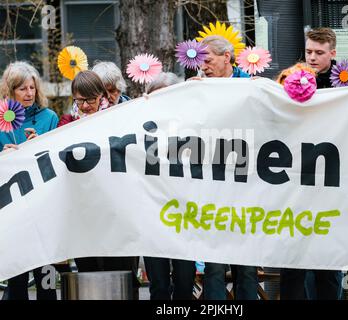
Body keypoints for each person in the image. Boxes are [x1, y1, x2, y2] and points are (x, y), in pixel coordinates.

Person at [58, 70, 140, 297]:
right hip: (84, 215)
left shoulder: (119, 117)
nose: (84, 106)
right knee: (89, 273)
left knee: (122, 272)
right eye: (79, 100)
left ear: (101, 95)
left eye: (90, 100)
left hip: (117, 213)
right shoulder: (66, 123)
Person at [280, 28, 343, 300]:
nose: (313, 58)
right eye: (309, 52)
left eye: (319, 52)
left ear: (333, 53)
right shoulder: (291, 78)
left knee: (328, 264)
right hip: (295, 184)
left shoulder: (346, 84)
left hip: (330, 187)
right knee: (293, 264)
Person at [198, 35, 258, 300]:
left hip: (246, 186)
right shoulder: (197, 88)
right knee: (214, 265)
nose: (203, 66)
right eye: (200, 61)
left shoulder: (252, 85)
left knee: (245, 266)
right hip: (211, 187)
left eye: (208, 60)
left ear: (227, 57)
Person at [0, 61, 59, 300]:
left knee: (46, 281)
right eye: (22, 88)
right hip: (14, 208)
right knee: (17, 282)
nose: (29, 93)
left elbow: (59, 156)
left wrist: (40, 144)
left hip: (45, 206)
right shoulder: (2, 118)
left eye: (32, 88)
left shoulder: (49, 117)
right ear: (10, 91)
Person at [143, 72, 197, 300]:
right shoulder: (139, 128)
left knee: (185, 283)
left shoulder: (192, 127)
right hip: (152, 218)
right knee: (159, 287)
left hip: (185, 219)